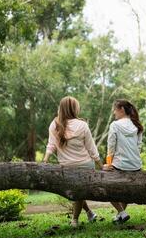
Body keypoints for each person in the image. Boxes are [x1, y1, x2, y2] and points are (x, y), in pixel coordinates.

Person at [43, 96, 103, 228]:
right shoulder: (82, 125)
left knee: (78, 192)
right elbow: (91, 149)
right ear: (73, 108)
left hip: (66, 167)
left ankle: (83, 216)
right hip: (86, 165)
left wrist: (45, 159)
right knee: (79, 192)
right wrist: (101, 166)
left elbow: (51, 145)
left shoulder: (54, 124)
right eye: (77, 106)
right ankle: (78, 218)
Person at [103, 99, 143, 224]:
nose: (114, 113)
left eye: (115, 110)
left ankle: (122, 212)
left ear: (121, 109)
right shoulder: (137, 125)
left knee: (105, 188)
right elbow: (139, 146)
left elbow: (111, 147)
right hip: (136, 166)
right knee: (125, 191)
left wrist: (108, 164)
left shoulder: (115, 125)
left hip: (120, 165)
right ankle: (119, 216)